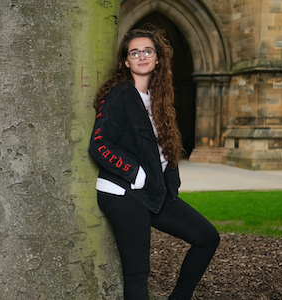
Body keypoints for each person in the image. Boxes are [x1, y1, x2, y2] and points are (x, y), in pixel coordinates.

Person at [88, 26, 220, 300]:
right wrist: (136, 173)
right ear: (126, 61)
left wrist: (168, 181)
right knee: (137, 274)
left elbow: (161, 151)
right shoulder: (121, 95)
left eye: (148, 51)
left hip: (153, 194)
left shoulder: (158, 99)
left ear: (158, 58)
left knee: (207, 238)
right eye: (134, 52)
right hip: (123, 192)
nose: (142, 56)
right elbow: (99, 145)